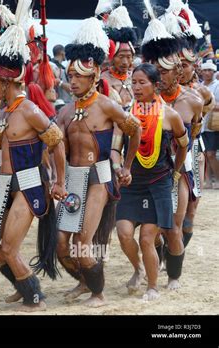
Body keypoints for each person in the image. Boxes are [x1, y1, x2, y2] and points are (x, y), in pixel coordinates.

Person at [0, 0, 66, 312]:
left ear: (6, 80)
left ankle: (34, 299)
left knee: (10, 247)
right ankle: (24, 284)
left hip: (28, 183)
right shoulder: (5, 112)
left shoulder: (28, 110)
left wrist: (60, 182)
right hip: (4, 184)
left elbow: (57, 142)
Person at [55, 17, 141, 308]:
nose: (73, 81)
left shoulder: (105, 104)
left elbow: (135, 128)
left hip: (99, 178)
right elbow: (54, 146)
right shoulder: (66, 111)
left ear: (93, 77)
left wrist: (126, 165)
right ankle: (84, 281)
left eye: (79, 76)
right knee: (61, 244)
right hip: (73, 179)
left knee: (83, 241)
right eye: (71, 76)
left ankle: (98, 293)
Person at [115, 63, 187, 300]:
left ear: (156, 85)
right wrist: (119, 167)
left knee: (148, 237)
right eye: (133, 82)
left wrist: (175, 174)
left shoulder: (171, 116)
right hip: (132, 183)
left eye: (142, 82)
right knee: (124, 233)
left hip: (158, 182)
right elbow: (115, 148)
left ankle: (154, 286)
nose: (136, 87)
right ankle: (139, 269)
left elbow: (183, 146)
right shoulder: (126, 113)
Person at [142, 3, 202, 290]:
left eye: (164, 73)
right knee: (149, 231)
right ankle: (155, 262)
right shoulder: (141, 101)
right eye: (156, 73)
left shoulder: (193, 100)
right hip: (148, 170)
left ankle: (174, 277)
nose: (160, 78)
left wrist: (182, 167)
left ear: (177, 72)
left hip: (177, 170)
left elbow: (195, 130)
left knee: (173, 226)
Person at [176, 3, 216, 250]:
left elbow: (208, 110)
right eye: (176, 65)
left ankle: (179, 247)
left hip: (194, 150)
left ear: (194, 67)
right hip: (168, 153)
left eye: (185, 65)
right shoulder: (162, 91)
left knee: (192, 205)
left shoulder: (201, 91)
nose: (180, 70)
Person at [101, 4, 137, 108]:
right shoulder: (103, 79)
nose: (125, 62)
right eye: (121, 57)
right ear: (112, 57)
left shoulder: (137, 77)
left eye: (128, 57)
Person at [200, 60, 219, 188]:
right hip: (201, 124)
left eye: (209, 70)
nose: (207, 73)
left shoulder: (217, 86)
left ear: (214, 72)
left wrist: (207, 105)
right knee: (205, 154)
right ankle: (207, 180)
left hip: (213, 125)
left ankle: (217, 179)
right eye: (205, 70)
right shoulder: (199, 86)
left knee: (211, 154)